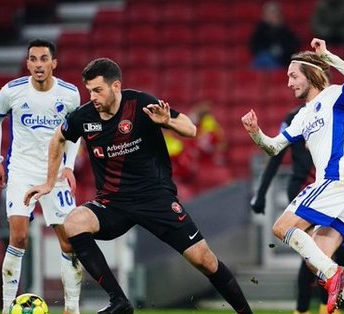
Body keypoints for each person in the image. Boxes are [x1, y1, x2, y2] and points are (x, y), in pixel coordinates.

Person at [24, 58, 253, 314]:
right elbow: (58, 138)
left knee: (204, 260)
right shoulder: (84, 116)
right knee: (74, 223)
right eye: (89, 91)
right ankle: (119, 302)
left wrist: (167, 121)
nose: (93, 97)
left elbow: (189, 129)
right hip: (113, 203)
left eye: (98, 90)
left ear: (116, 86)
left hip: (155, 198)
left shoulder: (141, 103)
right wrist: (49, 180)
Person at [241, 38, 344, 314]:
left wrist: (327, 57)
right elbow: (273, 147)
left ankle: (335, 276)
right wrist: (256, 133)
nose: (289, 83)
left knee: (281, 228)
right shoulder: (302, 116)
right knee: (316, 261)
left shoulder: (335, 97)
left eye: (293, 76)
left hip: (337, 180)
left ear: (311, 73)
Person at [0, 39, 83, 314]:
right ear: (27, 63)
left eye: (44, 59)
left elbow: (74, 132)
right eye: (33, 59)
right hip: (21, 171)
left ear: (54, 63)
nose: (38, 65)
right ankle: (7, 308)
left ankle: (71, 308)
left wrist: (69, 166)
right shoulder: (12, 91)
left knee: (69, 241)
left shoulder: (69, 94)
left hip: (55, 175)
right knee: (18, 238)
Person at [250, 107, 344, 314]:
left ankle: (328, 308)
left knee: (320, 255)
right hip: (303, 189)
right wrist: (261, 192)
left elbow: (343, 148)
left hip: (329, 191)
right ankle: (309, 309)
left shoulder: (331, 112)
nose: (292, 83)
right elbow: (276, 155)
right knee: (312, 255)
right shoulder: (295, 118)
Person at [249, 0, 300, 69]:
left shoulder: (285, 30)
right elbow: (254, 47)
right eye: (269, 13)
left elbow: (294, 45)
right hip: (264, 59)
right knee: (263, 58)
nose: (272, 16)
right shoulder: (260, 29)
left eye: (274, 13)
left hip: (282, 61)